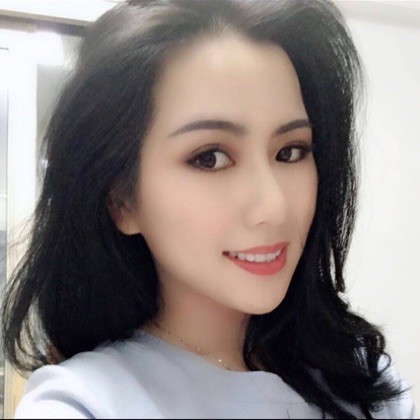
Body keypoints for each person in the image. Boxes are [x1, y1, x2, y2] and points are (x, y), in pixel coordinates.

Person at [1, 0, 417, 418]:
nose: (274, 207)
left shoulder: (366, 383)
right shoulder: (82, 404)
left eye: (290, 151)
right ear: (122, 200)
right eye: (210, 158)